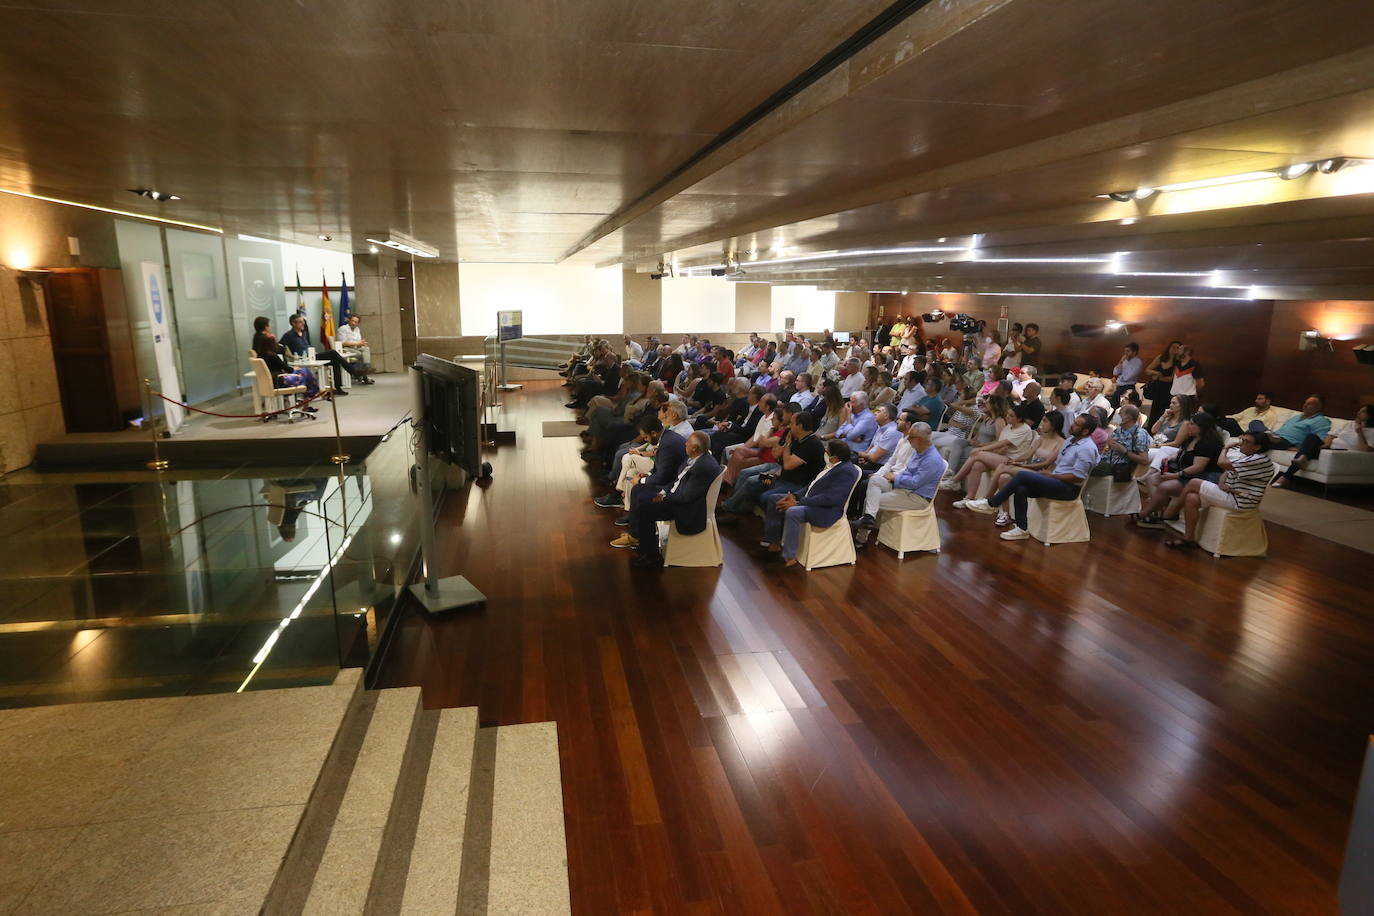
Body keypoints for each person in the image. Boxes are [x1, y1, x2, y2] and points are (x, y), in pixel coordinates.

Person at [977, 414, 1100, 540]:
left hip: (1068, 489)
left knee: (1021, 475)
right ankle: (1022, 528)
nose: (1072, 425)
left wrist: (1052, 476)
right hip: (1055, 481)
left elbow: (1077, 477)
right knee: (1021, 487)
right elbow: (1052, 464)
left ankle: (991, 503)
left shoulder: (1087, 448)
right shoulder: (1070, 441)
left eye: (1077, 424)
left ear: (1085, 431)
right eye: (1074, 422)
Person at [622, 431, 721, 568]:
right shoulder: (696, 458)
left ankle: (650, 555)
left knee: (644, 509)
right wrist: (663, 491)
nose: (685, 443)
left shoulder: (703, 467)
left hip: (685, 508)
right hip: (675, 495)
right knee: (639, 490)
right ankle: (640, 539)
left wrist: (664, 497)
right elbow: (677, 480)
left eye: (688, 443)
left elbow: (686, 497)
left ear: (695, 449)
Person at [1164, 430, 1276, 548]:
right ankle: (1188, 538)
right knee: (1192, 498)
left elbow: (1222, 463)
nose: (1242, 443)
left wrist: (1225, 448)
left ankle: (1171, 512)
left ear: (1257, 447)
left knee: (1193, 482)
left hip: (1241, 500)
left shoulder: (1259, 460)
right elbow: (1226, 472)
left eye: (1246, 442)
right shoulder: (1250, 457)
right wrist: (1222, 484)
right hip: (1231, 494)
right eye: (1242, 440)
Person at [766, 440, 863, 566]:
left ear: (834, 458)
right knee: (774, 498)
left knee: (793, 512)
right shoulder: (832, 465)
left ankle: (790, 556)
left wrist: (798, 502)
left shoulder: (847, 472)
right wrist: (795, 495)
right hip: (809, 500)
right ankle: (774, 542)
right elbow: (812, 485)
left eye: (827, 452)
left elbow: (830, 499)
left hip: (826, 511)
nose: (825, 453)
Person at [1136, 412, 1224, 528]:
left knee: (1164, 486)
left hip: (1201, 477)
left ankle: (1145, 513)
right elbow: (1181, 454)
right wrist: (1171, 458)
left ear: (1202, 427)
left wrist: (1174, 476)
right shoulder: (1190, 439)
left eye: (1192, 424)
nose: (1188, 426)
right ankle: (1157, 511)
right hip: (1185, 473)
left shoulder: (1207, 444)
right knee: (1151, 478)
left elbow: (1198, 467)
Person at [947, 403, 1037, 503]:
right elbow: (1000, 445)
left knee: (977, 454)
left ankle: (955, 480)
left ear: (1019, 419)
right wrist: (985, 450)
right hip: (1001, 458)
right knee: (977, 465)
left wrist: (982, 449)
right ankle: (969, 497)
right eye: (1008, 414)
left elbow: (1004, 443)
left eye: (1011, 416)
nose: (1007, 417)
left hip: (1013, 462)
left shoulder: (1024, 429)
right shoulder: (1008, 427)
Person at [1272, 403, 1371, 487]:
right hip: (1328, 449)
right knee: (1312, 437)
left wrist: (1360, 433)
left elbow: (1366, 450)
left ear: (1370, 415)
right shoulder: (1349, 424)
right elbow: (1331, 435)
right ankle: (1301, 460)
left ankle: (1287, 476)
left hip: (1341, 454)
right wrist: (1326, 445)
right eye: (1359, 410)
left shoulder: (1371, 431)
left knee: (1307, 450)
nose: (1358, 412)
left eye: (1362, 411)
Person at [279, 314, 362, 393]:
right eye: (300, 322)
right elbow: (280, 346)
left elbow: (307, 345)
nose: (303, 324)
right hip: (303, 359)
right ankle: (353, 372)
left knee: (335, 360)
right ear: (293, 323)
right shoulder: (288, 335)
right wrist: (291, 356)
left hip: (312, 355)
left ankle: (338, 387)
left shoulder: (303, 333)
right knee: (333, 353)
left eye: (303, 321)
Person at [251, 316, 321, 402]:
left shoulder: (261, 352)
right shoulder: (273, 356)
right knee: (306, 373)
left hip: (273, 377)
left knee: (304, 372)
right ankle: (311, 395)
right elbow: (287, 369)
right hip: (279, 380)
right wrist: (294, 368)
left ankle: (308, 397)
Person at [1266, 395, 1332, 453]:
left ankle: (1267, 438)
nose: (1305, 405)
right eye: (1305, 403)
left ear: (1319, 407)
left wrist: (1299, 448)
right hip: (1275, 436)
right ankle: (1267, 436)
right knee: (1257, 423)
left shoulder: (1321, 420)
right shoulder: (1296, 417)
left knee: (1259, 439)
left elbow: (1318, 440)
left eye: (1310, 404)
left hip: (1288, 442)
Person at [1142, 340, 1181, 430]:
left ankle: (1159, 432)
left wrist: (1158, 377)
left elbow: (1171, 378)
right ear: (1169, 347)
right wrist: (1156, 373)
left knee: (1163, 412)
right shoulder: (1161, 358)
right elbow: (1147, 370)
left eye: (1177, 348)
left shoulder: (1177, 362)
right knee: (1154, 411)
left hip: (1168, 390)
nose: (1174, 349)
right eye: (1173, 347)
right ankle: (1150, 430)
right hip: (1157, 388)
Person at [334, 315, 376, 383]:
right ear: (349, 320)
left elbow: (358, 341)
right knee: (360, 354)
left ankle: (367, 367)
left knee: (366, 349)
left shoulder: (357, 329)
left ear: (358, 323)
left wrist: (362, 343)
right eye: (352, 321)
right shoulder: (343, 329)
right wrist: (357, 343)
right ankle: (363, 376)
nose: (353, 323)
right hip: (345, 349)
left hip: (355, 348)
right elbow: (342, 343)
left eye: (355, 322)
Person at [1108, 341, 1142, 407]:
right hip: (1119, 387)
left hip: (1128, 388)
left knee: (1123, 408)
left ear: (1134, 352)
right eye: (1125, 351)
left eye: (1128, 351)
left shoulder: (1138, 362)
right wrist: (1121, 362)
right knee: (1113, 407)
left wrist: (1120, 377)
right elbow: (1115, 372)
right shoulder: (1125, 361)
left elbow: (1127, 378)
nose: (1125, 353)